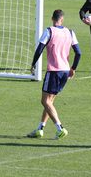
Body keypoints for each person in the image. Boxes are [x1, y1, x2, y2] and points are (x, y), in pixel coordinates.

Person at [28, 9, 81, 139]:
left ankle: (60, 127)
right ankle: (40, 128)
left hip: (53, 71)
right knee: (50, 101)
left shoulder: (49, 31)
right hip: (65, 71)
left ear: (52, 18)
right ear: (62, 19)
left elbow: (39, 48)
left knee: (45, 101)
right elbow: (78, 53)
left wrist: (33, 63)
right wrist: (73, 68)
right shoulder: (70, 32)